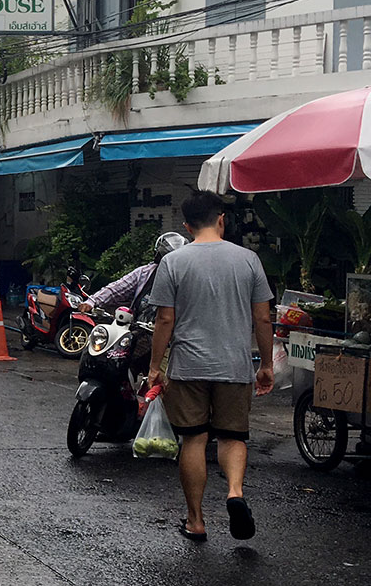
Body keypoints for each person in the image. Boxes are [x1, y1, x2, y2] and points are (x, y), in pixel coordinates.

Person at [147, 191, 273, 543]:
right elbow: (262, 318)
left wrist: (155, 366)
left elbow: (164, 319)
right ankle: (234, 492)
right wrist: (265, 364)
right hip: (234, 364)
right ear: (222, 219)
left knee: (194, 439)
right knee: (233, 437)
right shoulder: (248, 260)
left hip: (188, 366)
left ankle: (196, 521)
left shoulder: (174, 262)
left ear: (186, 226)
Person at [78, 232, 188, 315]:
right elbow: (117, 288)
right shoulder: (145, 272)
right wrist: (91, 302)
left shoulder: (189, 277)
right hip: (140, 328)